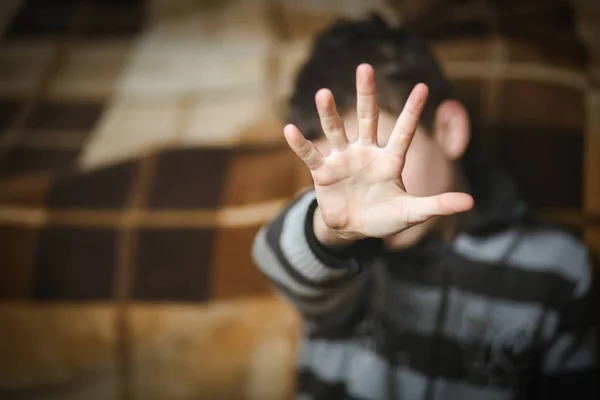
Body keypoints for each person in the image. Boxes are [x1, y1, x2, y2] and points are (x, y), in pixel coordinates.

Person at [252, 14, 597, 400]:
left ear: (448, 131)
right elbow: (275, 258)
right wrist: (333, 229)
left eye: (379, 151)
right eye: (344, 174)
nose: (366, 192)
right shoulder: (346, 261)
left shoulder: (560, 268)